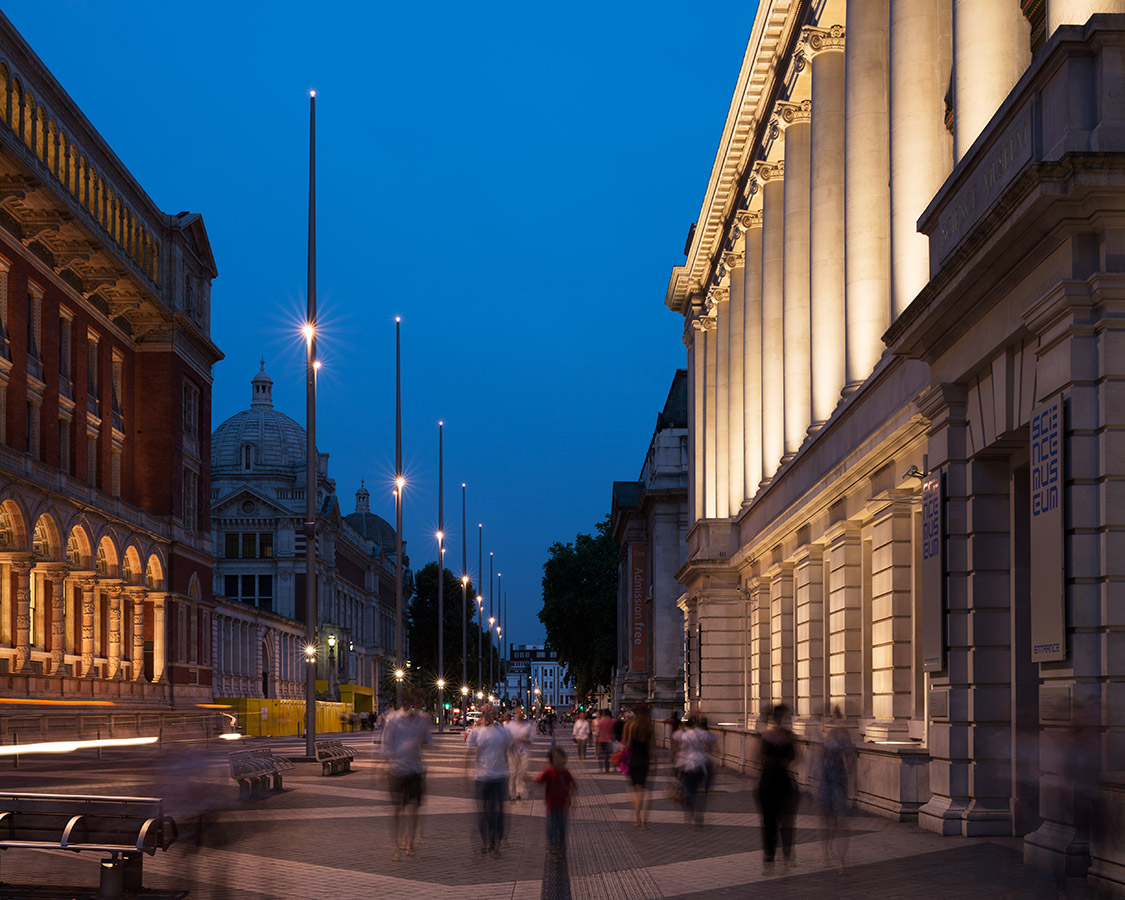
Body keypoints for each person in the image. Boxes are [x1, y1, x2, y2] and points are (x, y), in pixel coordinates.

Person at [380, 688, 433, 861]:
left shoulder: (422, 720)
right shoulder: (393, 720)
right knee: (397, 809)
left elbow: (428, 741)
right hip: (396, 770)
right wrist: (383, 765)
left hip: (415, 769)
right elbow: (386, 743)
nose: (411, 706)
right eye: (408, 702)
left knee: (413, 808)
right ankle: (396, 845)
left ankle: (409, 843)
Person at [465, 704, 513, 857]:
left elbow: (508, 749)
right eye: (487, 712)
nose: (490, 715)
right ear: (483, 714)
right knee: (484, 813)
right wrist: (465, 773)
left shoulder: (503, 732)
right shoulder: (477, 732)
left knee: (498, 813)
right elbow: (468, 753)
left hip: (499, 777)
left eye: (493, 712)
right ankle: (486, 841)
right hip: (482, 777)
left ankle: (495, 845)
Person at [757, 704, 798, 870]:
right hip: (768, 783)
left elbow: (796, 757)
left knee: (786, 821)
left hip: (783, 782)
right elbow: (758, 757)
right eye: (778, 717)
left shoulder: (789, 736)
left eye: (783, 717)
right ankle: (770, 852)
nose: (781, 720)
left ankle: (786, 853)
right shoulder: (766, 736)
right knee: (769, 821)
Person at [818, 707, 855, 869]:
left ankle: (834, 856)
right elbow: (850, 760)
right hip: (832, 780)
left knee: (834, 820)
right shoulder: (836, 734)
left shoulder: (836, 735)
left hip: (835, 780)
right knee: (831, 820)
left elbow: (850, 760)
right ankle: (829, 853)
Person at [536, 746, 577, 858]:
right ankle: (553, 847)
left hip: (563, 806)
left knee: (562, 828)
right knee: (551, 828)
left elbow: (573, 785)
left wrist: (572, 801)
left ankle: (561, 848)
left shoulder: (566, 772)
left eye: (560, 758)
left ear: (564, 759)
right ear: (552, 761)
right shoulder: (549, 772)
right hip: (551, 806)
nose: (558, 761)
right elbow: (539, 780)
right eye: (555, 759)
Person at [679, 715, 716, 827]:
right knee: (700, 791)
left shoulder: (686, 735)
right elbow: (707, 748)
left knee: (690, 790)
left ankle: (690, 810)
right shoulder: (703, 734)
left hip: (689, 764)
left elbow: (683, 749)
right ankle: (699, 816)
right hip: (701, 764)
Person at [622, 704, 654, 828]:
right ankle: (645, 821)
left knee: (635, 791)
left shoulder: (631, 726)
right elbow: (652, 748)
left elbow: (628, 745)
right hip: (645, 760)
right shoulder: (649, 727)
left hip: (634, 760)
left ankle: (637, 819)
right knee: (645, 791)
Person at [506, 707, 533, 800]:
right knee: (513, 772)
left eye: (522, 713)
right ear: (514, 714)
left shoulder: (527, 725)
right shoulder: (510, 726)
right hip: (512, 751)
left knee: (522, 772)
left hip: (524, 751)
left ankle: (519, 792)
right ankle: (511, 793)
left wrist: (524, 740)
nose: (520, 714)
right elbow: (505, 738)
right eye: (518, 713)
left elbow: (531, 739)